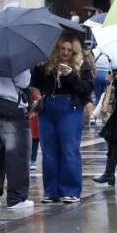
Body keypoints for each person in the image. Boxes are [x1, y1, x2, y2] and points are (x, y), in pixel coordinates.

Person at [31, 33, 94, 204]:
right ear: (57, 49)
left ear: (74, 52)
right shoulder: (45, 64)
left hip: (70, 109)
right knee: (48, 152)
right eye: (62, 49)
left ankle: (71, 190)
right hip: (47, 108)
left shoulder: (82, 65)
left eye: (69, 50)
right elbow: (35, 83)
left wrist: (70, 75)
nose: (66, 52)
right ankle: (51, 191)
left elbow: (86, 89)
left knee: (69, 150)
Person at [0, 68, 34, 210]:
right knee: (17, 155)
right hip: (13, 107)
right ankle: (16, 198)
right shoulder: (14, 55)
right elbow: (23, 81)